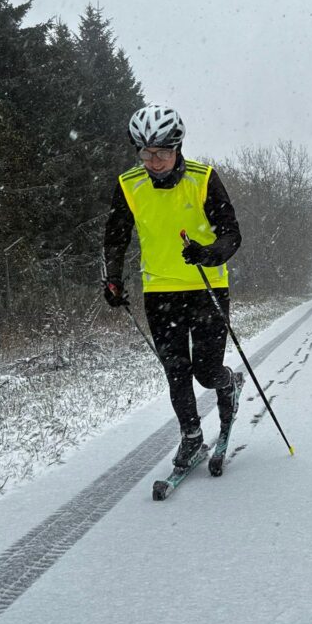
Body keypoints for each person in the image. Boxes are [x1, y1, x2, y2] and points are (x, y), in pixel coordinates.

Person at [103, 104, 242, 468]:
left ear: (177, 147)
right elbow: (116, 237)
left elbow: (231, 234)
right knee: (176, 371)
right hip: (160, 291)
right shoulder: (129, 185)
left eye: (162, 152)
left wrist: (209, 253)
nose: (154, 161)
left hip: (206, 287)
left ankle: (229, 384)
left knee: (206, 372)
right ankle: (192, 437)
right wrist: (113, 278)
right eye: (146, 153)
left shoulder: (203, 177)